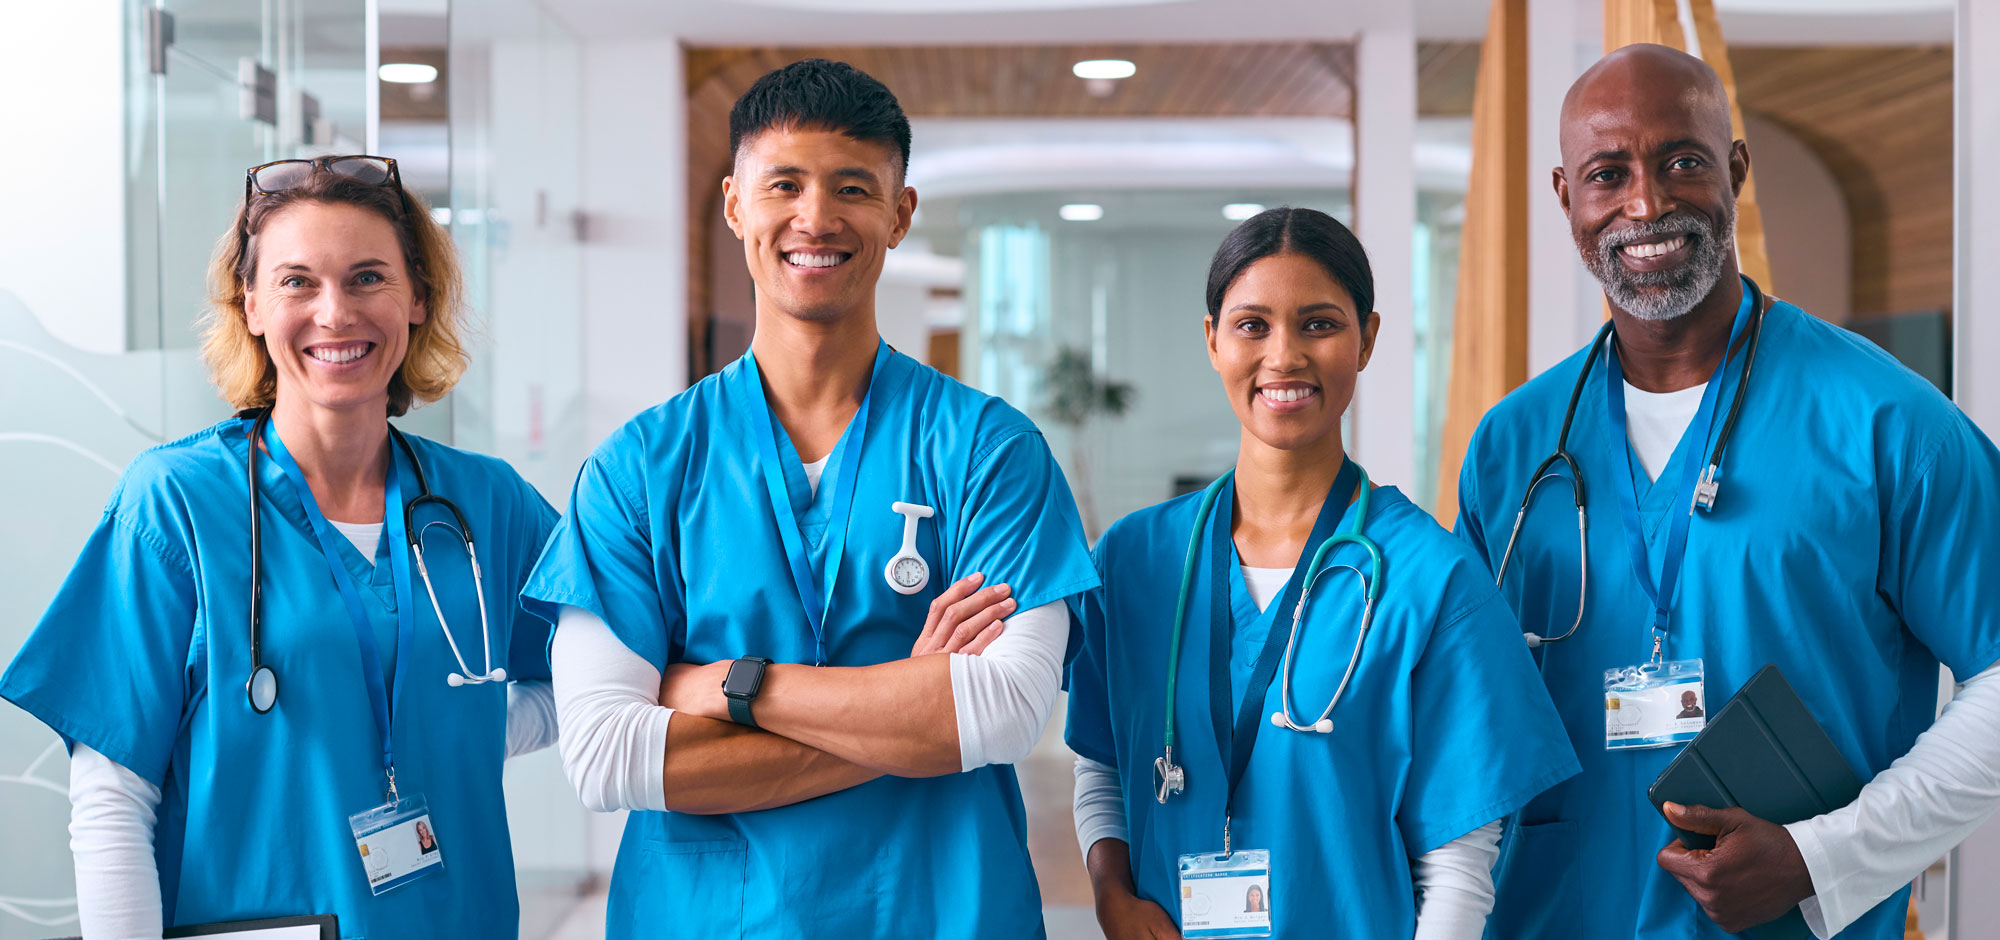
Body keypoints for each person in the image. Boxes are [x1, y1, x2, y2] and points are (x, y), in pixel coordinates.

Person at [522, 59, 1098, 939]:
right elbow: (604, 758)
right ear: (734, 205)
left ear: (900, 215)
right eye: (783, 184)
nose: (815, 218)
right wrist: (910, 705)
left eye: (853, 188)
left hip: (940, 910)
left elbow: (1004, 712)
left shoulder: (988, 451)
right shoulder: (640, 467)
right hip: (707, 918)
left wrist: (730, 686)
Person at [1455, 43, 2000, 940]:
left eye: (1682, 161)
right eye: (1608, 173)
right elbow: (1463, 719)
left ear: (1735, 170)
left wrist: (1825, 857)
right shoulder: (1513, 446)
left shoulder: (1889, 422)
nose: (1648, 203)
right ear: (1565, 197)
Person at [0, 156, 563, 937]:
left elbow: (594, 676)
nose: (335, 313)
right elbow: (112, 796)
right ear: (252, 304)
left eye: (369, 277)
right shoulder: (174, 504)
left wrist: (468, 721)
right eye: (298, 281)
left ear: (419, 300)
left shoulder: (485, 504)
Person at [1066, 207, 1578, 940]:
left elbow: (1461, 864)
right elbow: (1103, 763)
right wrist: (1111, 893)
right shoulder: (1133, 559)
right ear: (1211, 340)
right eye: (1252, 325)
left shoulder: (1430, 579)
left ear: (1367, 339)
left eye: (1318, 324)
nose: (1284, 357)